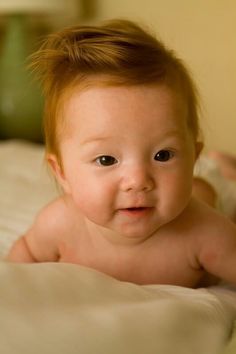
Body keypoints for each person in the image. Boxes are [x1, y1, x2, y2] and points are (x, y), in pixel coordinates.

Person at [6, 19, 236, 288]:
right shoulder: (58, 225)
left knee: (215, 187)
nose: (138, 180)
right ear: (62, 173)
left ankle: (221, 167)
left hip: (208, 191)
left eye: (163, 155)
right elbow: (21, 262)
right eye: (107, 160)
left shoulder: (207, 233)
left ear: (192, 158)